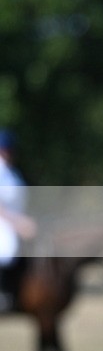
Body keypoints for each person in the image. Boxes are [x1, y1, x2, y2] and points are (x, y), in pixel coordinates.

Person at [0, 129, 36, 310]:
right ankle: (3, 294)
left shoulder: (12, 173)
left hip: (15, 220)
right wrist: (18, 223)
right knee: (7, 249)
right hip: (4, 222)